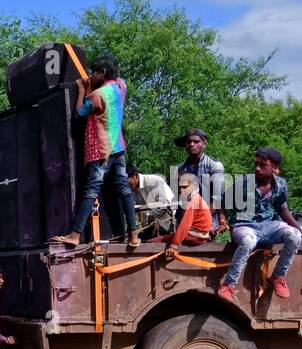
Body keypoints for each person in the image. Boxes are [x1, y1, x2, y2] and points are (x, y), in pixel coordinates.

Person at [50, 56, 139, 247]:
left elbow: (79, 114)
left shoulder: (96, 96)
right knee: (124, 190)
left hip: (101, 152)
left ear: (102, 73)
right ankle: (133, 234)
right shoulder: (121, 87)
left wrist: (82, 90)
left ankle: (75, 234)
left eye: (95, 72)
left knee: (91, 191)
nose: (91, 76)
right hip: (118, 148)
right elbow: (114, 81)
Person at [219, 147, 302, 302]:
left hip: (269, 225)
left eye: (263, 165)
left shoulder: (281, 184)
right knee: (248, 241)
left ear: (275, 168)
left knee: (294, 236)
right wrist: (223, 222)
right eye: (256, 164)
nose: (257, 168)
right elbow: (220, 203)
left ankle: (277, 277)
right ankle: (228, 284)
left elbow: (282, 209)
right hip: (244, 225)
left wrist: (300, 231)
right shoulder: (242, 183)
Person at [172, 128, 227, 232]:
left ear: (204, 144)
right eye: (188, 142)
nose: (192, 144)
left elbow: (217, 197)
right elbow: (177, 197)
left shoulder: (214, 166)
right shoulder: (179, 169)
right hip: (184, 218)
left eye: (196, 141)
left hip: (208, 217)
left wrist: (220, 220)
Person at [149, 173, 213, 247]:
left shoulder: (193, 201)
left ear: (194, 186)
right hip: (199, 235)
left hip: (195, 236)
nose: (181, 190)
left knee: (153, 241)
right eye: (179, 187)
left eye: (185, 187)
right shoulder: (194, 198)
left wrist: (174, 245)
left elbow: (185, 224)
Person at [128, 166, 175, 237]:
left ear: (135, 175)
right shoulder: (133, 189)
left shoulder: (154, 181)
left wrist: (145, 212)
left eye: (126, 182)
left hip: (168, 223)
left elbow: (163, 207)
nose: (125, 185)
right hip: (153, 224)